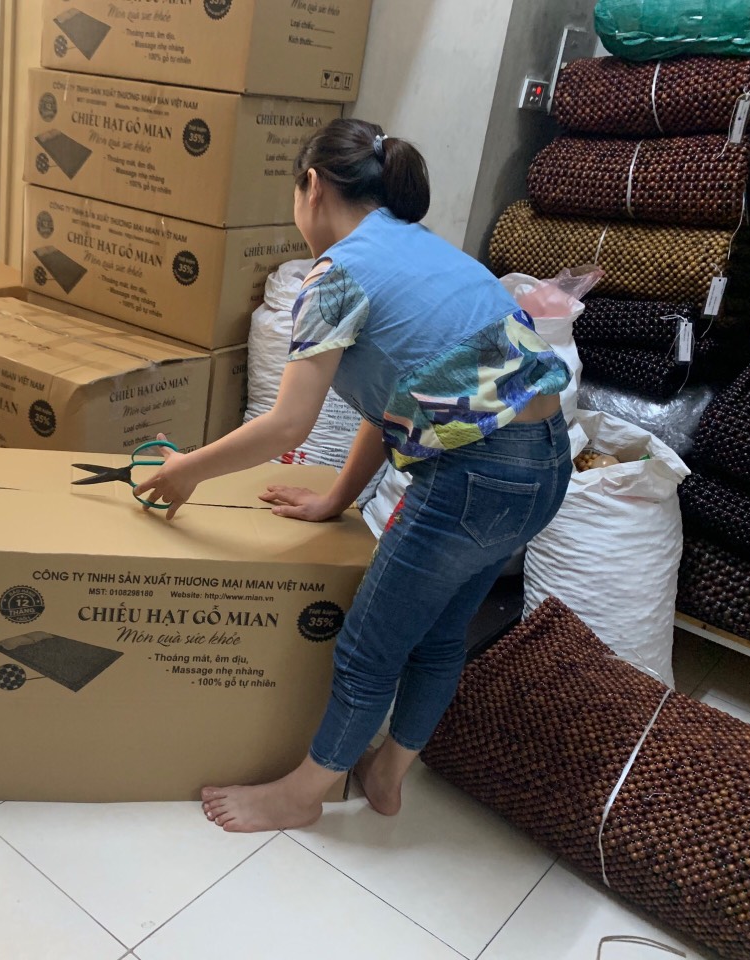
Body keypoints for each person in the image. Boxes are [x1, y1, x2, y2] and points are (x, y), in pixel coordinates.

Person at [134, 118, 573, 833]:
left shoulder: (336, 275)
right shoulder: (421, 247)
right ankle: (387, 776)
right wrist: (337, 497)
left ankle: (302, 794)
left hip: (476, 477)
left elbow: (286, 426)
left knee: (369, 646)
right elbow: (397, 403)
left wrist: (188, 471)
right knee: (440, 634)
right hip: (546, 466)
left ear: (311, 186)